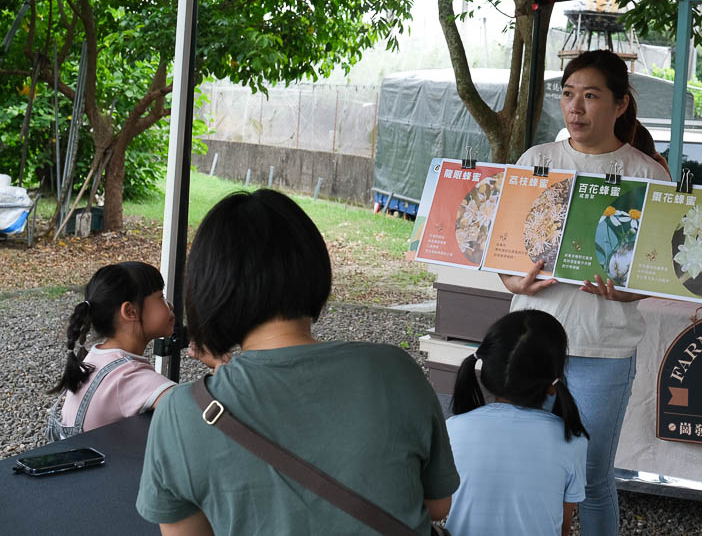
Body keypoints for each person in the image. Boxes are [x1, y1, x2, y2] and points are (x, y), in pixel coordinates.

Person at [136, 189, 459, 535]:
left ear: (209, 288)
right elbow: (437, 504)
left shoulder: (180, 414)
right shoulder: (395, 371)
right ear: (313, 267)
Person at [500, 49, 670, 535]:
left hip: (603, 346)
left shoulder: (646, 174)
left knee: (592, 478)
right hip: (532, 342)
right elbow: (508, 251)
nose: (575, 108)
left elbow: (657, 271)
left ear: (620, 105)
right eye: (568, 94)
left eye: (591, 96)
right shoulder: (538, 161)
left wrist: (628, 292)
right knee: (531, 468)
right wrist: (515, 282)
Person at [445, 310, 588, 536]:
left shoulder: (453, 429)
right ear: (554, 380)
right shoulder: (571, 440)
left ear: (486, 371)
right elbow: (563, 528)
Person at [46, 261, 176, 441]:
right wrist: (218, 362)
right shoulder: (129, 376)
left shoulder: (96, 356)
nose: (170, 305)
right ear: (130, 311)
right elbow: (191, 410)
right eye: (160, 297)